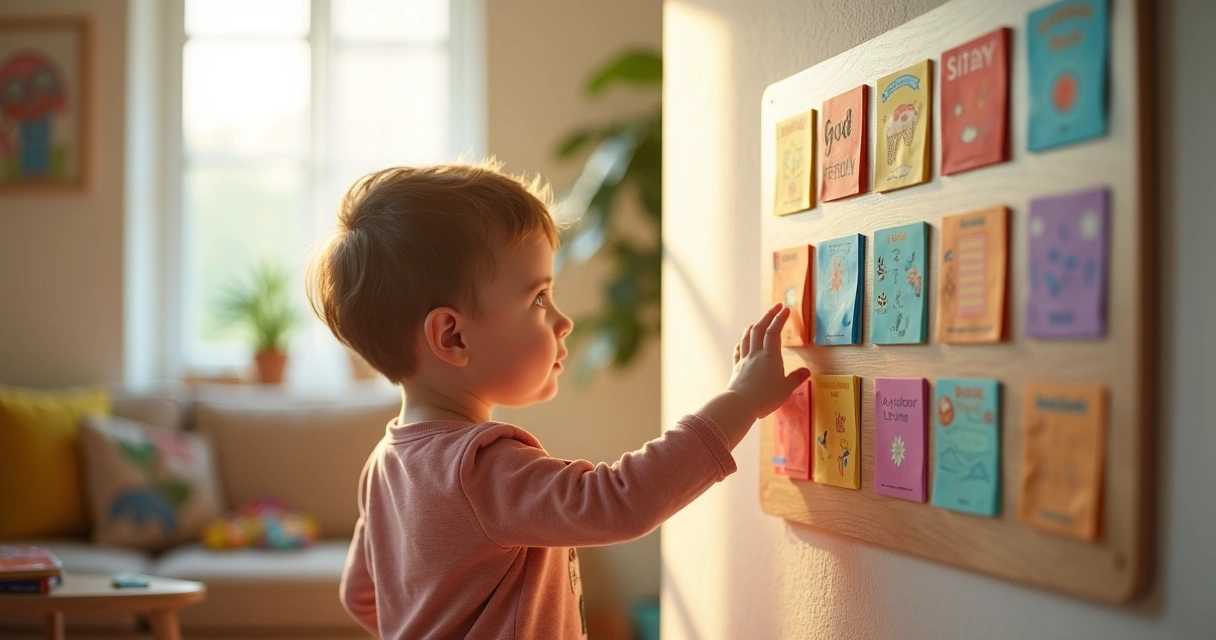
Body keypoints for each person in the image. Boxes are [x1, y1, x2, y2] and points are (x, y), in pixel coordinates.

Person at [305, 161, 810, 639]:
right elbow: (619, 501)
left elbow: (362, 594)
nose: (563, 321)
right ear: (453, 337)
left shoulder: (385, 464)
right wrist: (740, 400)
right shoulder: (480, 466)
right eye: (539, 298)